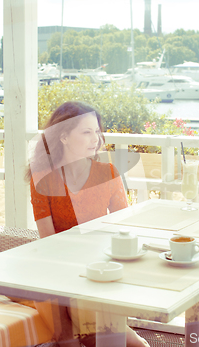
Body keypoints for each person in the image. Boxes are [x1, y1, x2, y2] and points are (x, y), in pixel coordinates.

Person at [27, 101, 149, 347]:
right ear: (63, 137)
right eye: (86, 132)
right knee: (69, 338)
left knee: (130, 343)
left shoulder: (108, 173)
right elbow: (49, 242)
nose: (96, 139)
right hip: (57, 271)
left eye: (97, 131)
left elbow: (123, 232)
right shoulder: (42, 178)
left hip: (99, 270)